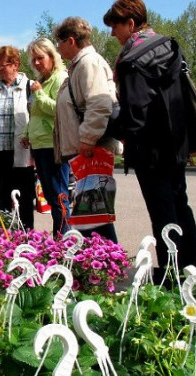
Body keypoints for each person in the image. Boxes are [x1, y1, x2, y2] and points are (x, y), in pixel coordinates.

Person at [104, 0, 196, 272]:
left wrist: (110, 126)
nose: (113, 34)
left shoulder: (133, 60)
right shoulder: (169, 47)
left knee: (161, 212)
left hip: (150, 150)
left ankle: (170, 273)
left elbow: (135, 114)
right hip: (175, 143)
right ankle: (190, 266)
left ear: (131, 23)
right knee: (181, 204)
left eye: (115, 27)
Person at [54, 17, 119, 242]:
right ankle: (98, 264)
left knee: (96, 217)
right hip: (84, 149)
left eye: (59, 43)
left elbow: (100, 104)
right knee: (91, 215)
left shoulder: (89, 63)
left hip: (91, 149)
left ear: (71, 41)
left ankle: (106, 266)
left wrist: (89, 138)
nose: (58, 48)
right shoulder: (80, 65)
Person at [0, 46, 34, 228]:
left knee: (23, 196)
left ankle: (26, 234)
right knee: (1, 196)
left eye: (3, 65)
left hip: (21, 150)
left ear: (15, 64)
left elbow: (36, 115)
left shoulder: (28, 86)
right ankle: (5, 235)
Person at [20, 38, 70, 236]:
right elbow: (35, 113)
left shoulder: (60, 78)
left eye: (40, 58)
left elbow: (60, 111)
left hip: (54, 143)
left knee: (59, 196)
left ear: (52, 56)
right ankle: (61, 235)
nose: (37, 63)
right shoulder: (40, 82)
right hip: (39, 144)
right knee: (49, 196)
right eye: (34, 60)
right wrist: (26, 134)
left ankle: (65, 239)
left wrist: (39, 95)